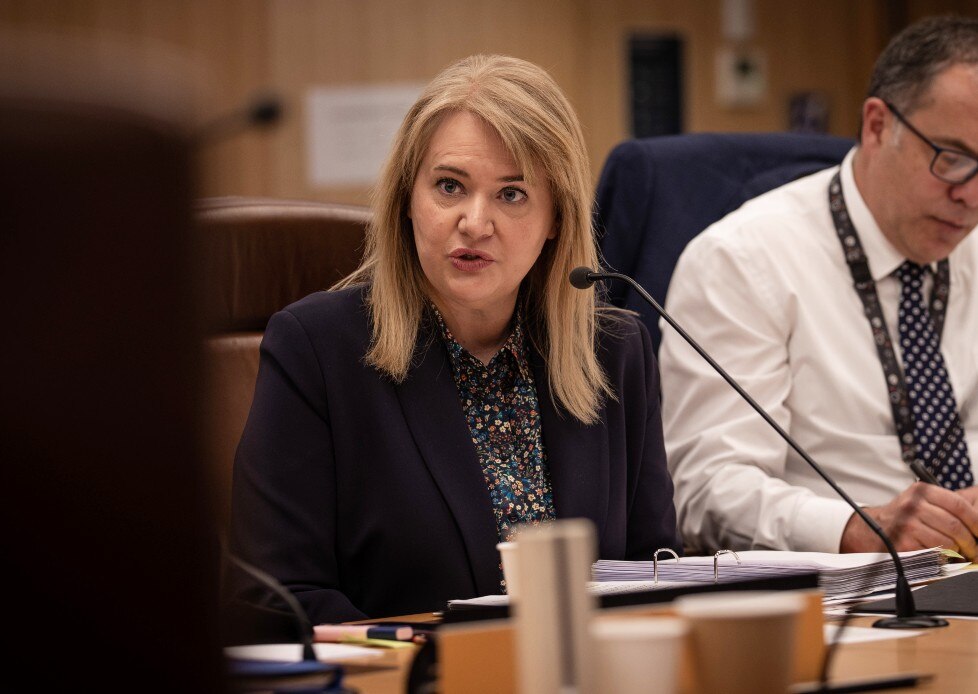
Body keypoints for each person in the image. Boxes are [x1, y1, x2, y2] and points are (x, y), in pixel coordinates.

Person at [230, 54, 680, 623]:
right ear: (407, 201)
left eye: (512, 194)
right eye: (449, 186)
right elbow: (277, 596)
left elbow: (654, 573)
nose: (475, 222)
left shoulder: (614, 352)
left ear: (556, 220)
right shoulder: (316, 350)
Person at [659, 15, 978, 558]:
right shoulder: (742, 261)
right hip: (844, 584)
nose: (970, 196)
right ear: (877, 126)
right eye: (952, 160)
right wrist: (854, 527)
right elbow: (709, 488)